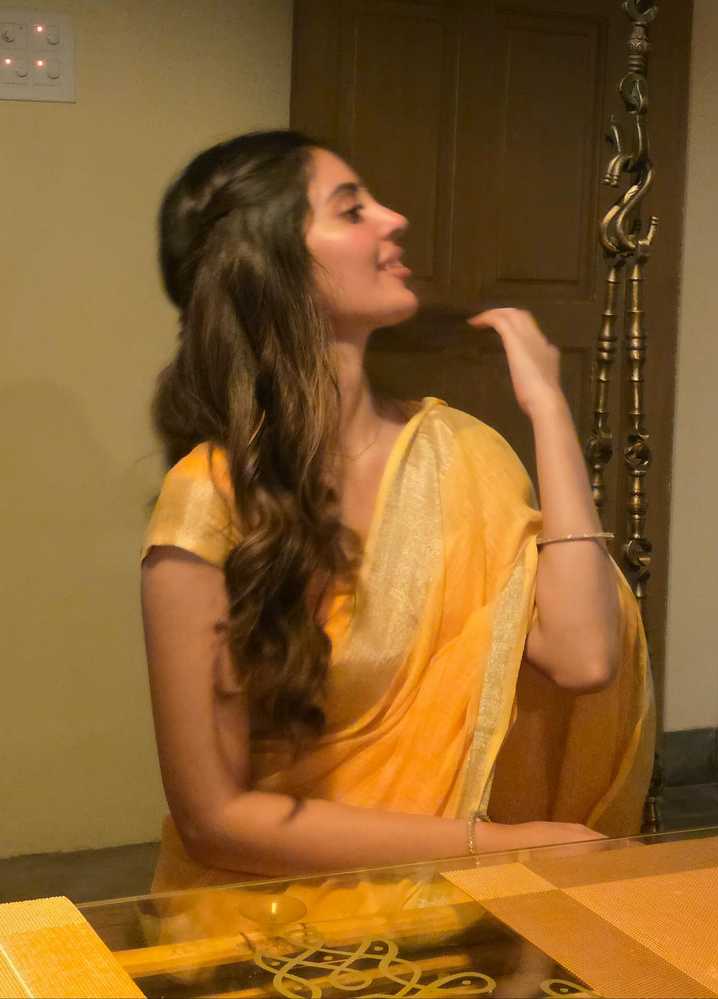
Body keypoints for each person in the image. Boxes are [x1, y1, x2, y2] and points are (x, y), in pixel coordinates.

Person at [141, 130, 653, 912]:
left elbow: (584, 655)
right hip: (270, 919)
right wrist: (500, 845)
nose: (395, 218)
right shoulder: (210, 499)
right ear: (271, 260)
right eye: (352, 210)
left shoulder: (461, 452)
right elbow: (215, 820)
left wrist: (549, 410)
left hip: (457, 905)